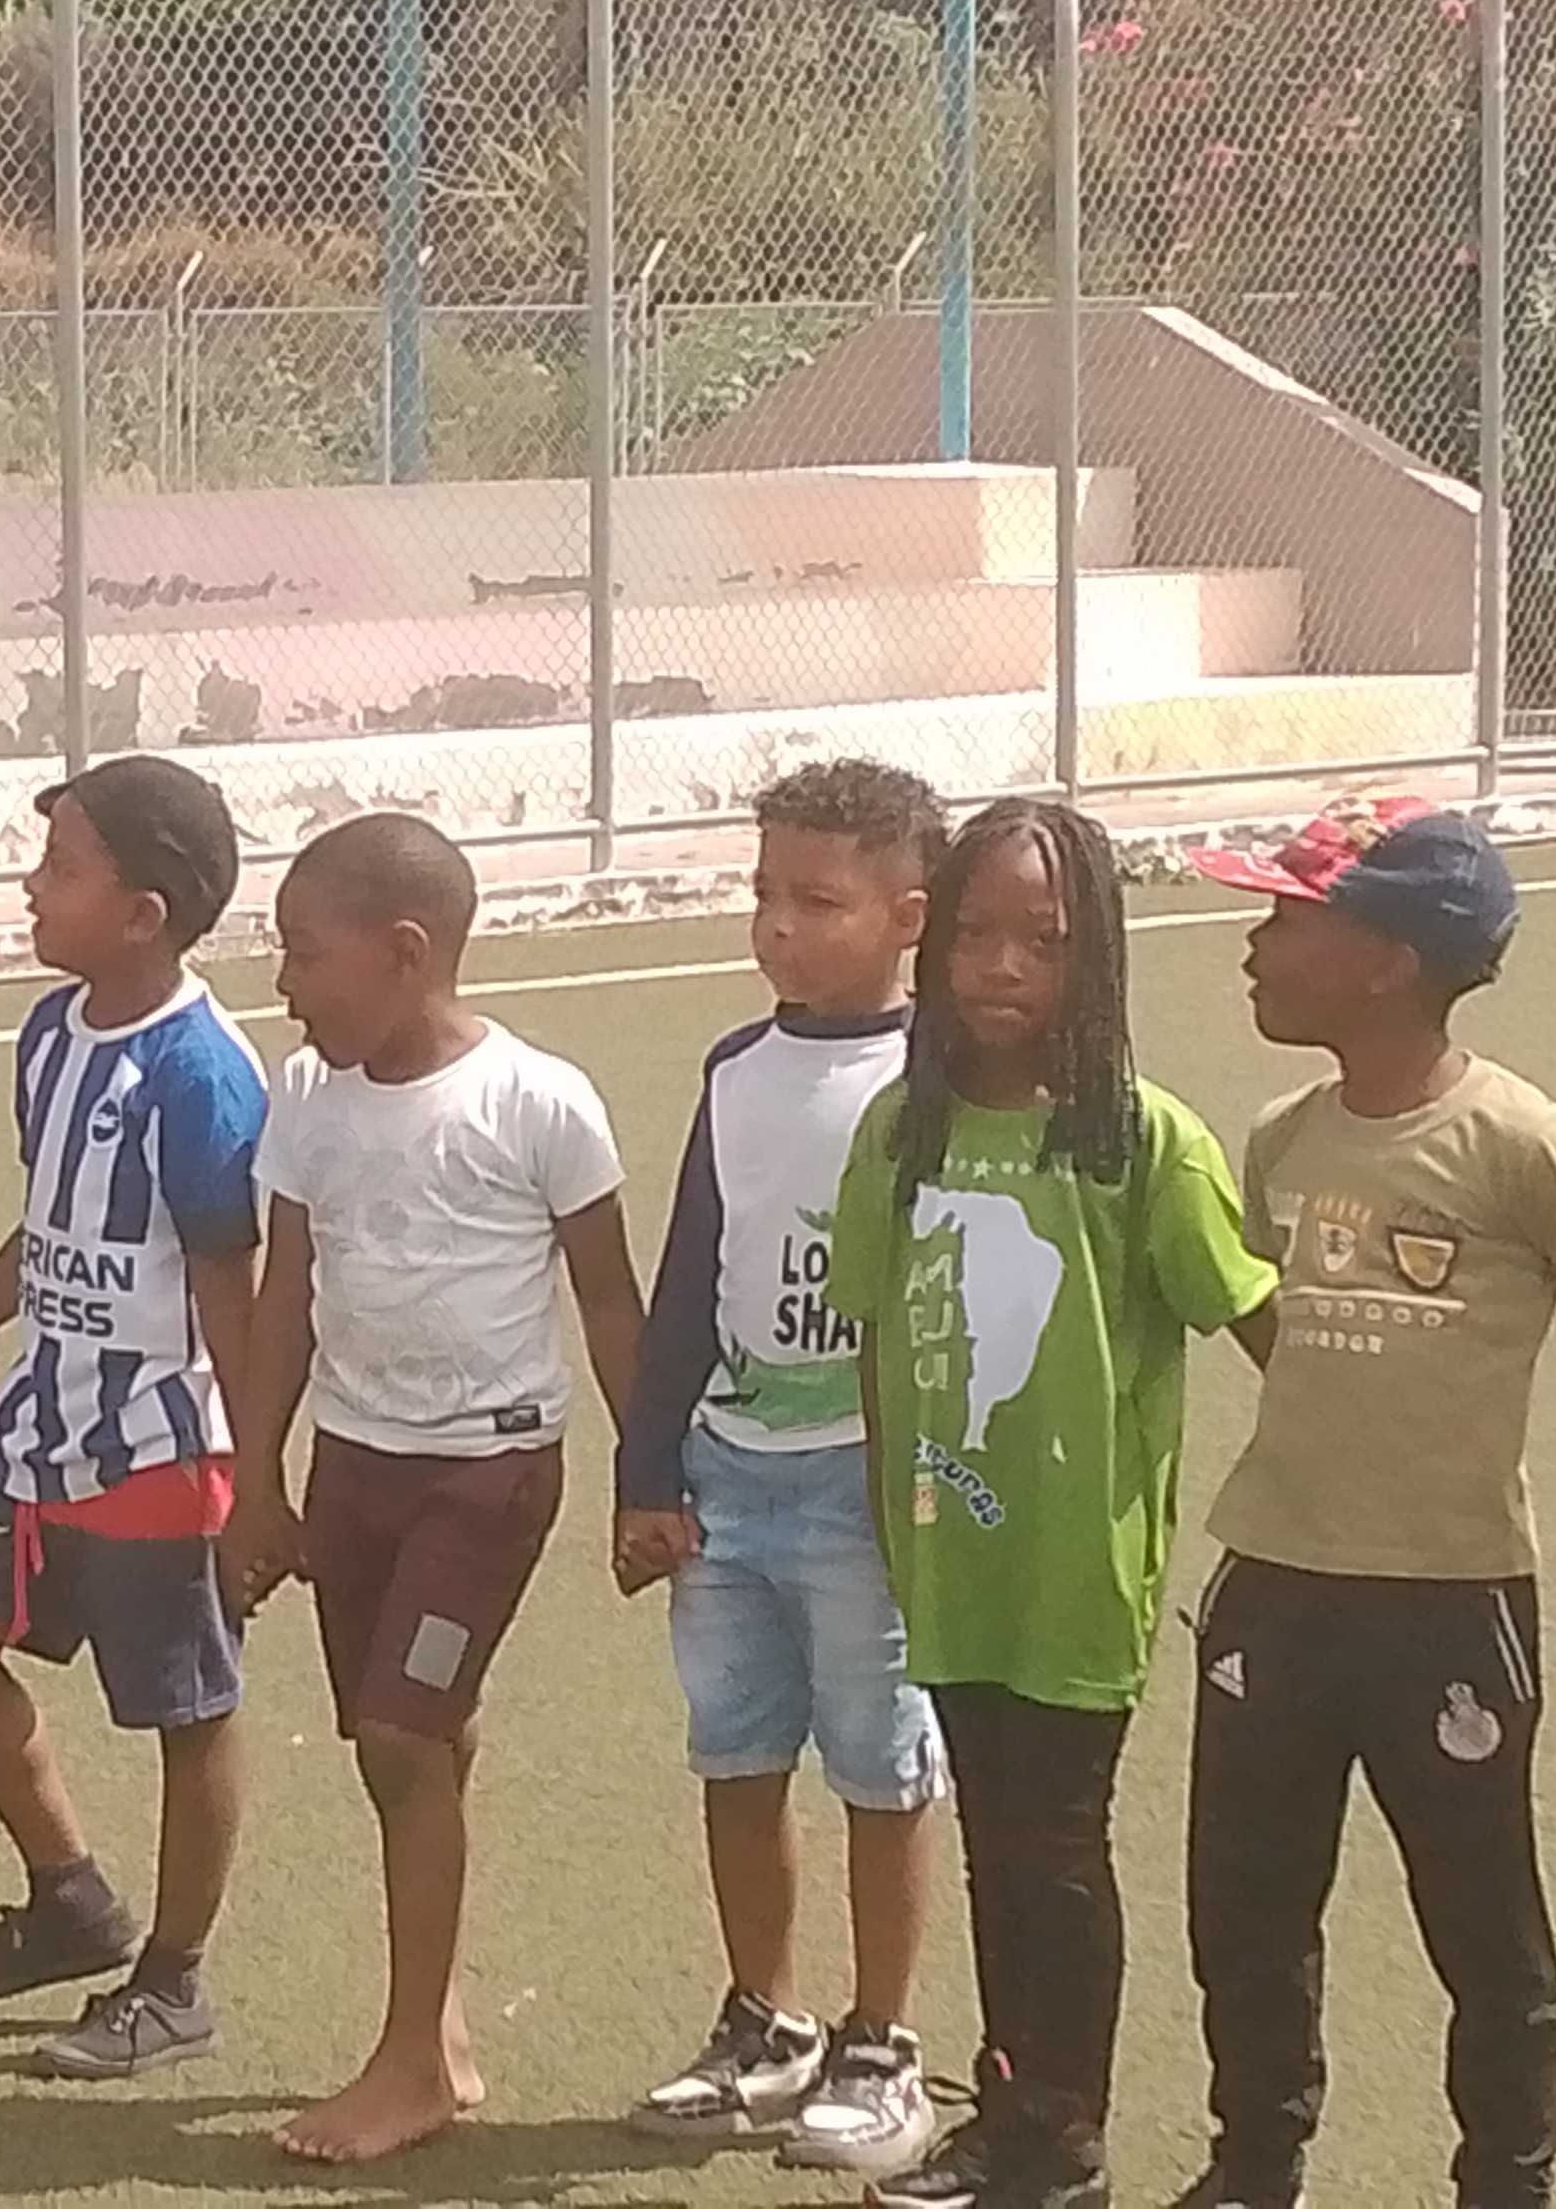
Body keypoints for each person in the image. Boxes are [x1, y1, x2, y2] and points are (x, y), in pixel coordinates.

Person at [1176, 798, 1556, 2209]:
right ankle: (1255, 2166)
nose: (1253, 944)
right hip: (1273, 1584)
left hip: (1449, 1603)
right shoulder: (1281, 1137)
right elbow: (1299, 1331)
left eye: (1285, 919)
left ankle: (1507, 2180)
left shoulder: (1523, 1143)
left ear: (1389, 963)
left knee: (1483, 1926)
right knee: (1245, 1911)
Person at [819, 797, 1279, 2209]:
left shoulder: (1144, 1142)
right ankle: (1009, 2113)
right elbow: (879, 1346)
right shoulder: (900, 1133)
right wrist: (896, 1523)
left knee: (1055, 1849)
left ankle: (1060, 2140)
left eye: (1043, 940)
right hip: (950, 1560)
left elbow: (1265, 1330)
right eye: (975, 935)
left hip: (1078, 1573)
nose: (1002, 968)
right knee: (996, 1846)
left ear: (1097, 959)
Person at [223, 810, 647, 2165]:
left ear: (405, 953)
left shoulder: (538, 1101)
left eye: (305, 953)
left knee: (403, 1742)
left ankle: (409, 2064)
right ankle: (441, 2033)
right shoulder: (306, 1096)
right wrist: (257, 1482)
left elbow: (609, 1301)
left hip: (487, 1474)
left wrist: (650, 1475)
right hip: (355, 1470)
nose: (284, 982)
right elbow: (286, 1294)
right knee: (404, 1742)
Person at [0, 755, 265, 2081]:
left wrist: (257, 1482)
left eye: (62, 869)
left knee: (187, 1711)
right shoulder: (49, 1033)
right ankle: (72, 1898)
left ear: (144, 914)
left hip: (155, 1444)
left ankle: (175, 1978)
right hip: (38, 1427)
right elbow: (54, 1230)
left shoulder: (201, 1076)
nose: (31, 888)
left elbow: (230, 1292)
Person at [612, 759, 950, 2180]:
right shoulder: (735, 1070)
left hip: (869, 1493)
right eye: (765, 894)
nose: (779, 926)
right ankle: (767, 2020)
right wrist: (648, 1469)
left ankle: (883, 2043)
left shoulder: (943, 1081)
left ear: (909, 916)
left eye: (819, 901)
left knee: (881, 1765)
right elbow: (695, 1266)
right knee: (738, 1755)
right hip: (728, 1479)